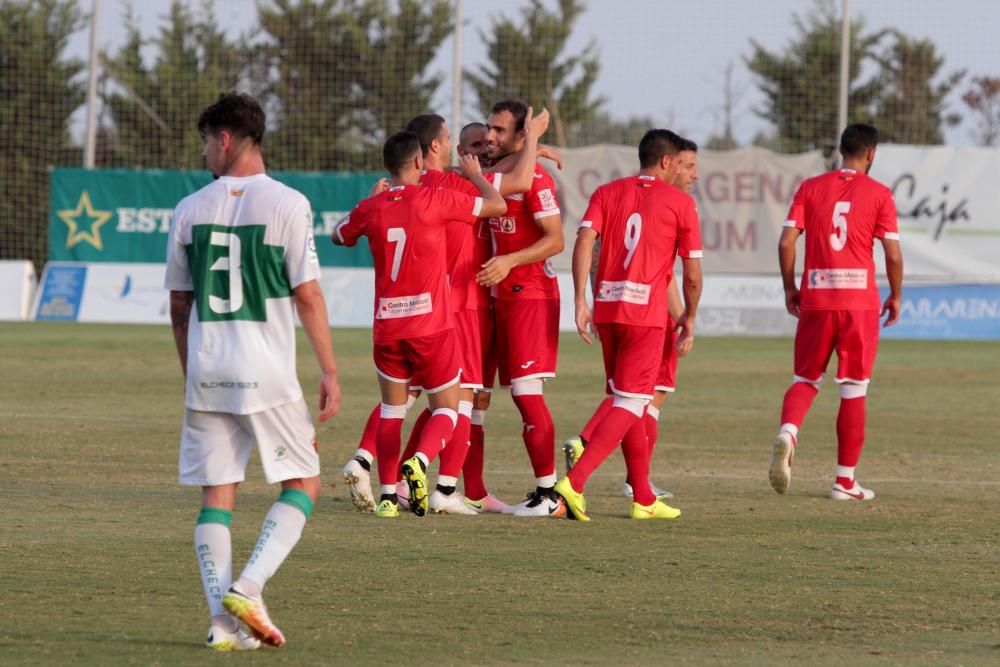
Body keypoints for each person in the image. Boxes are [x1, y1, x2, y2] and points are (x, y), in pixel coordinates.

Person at [165, 92, 341, 650]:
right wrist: (330, 371)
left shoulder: (189, 208)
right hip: (266, 372)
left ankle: (221, 625)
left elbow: (178, 305)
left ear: (225, 138)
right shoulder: (288, 202)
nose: (202, 153)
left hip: (208, 371)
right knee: (304, 481)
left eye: (204, 141)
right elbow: (307, 294)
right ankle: (250, 585)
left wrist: (190, 367)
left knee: (217, 496)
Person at [341, 111, 547, 516]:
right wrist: (531, 143)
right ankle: (445, 486)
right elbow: (515, 185)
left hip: (399, 317)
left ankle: (373, 466)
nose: (478, 154)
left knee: (403, 400)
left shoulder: (398, 195)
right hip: (454, 307)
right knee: (459, 401)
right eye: (467, 145)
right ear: (431, 150)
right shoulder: (449, 187)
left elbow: (345, 231)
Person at [553, 129, 702, 521]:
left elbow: (584, 242)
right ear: (667, 162)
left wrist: (582, 300)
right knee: (634, 401)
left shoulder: (607, 192)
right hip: (646, 317)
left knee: (627, 398)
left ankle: (644, 497)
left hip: (608, 308)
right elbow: (691, 273)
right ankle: (574, 484)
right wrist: (690, 315)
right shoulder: (680, 203)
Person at [769, 123, 903, 501]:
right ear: (871, 154)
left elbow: (785, 242)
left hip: (818, 297)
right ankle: (845, 482)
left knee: (805, 379)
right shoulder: (879, 193)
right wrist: (895, 295)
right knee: (853, 390)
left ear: (840, 150)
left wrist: (790, 287)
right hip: (858, 303)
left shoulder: (811, 188)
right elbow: (892, 254)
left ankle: (789, 432)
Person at [478, 99, 565, 517]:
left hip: (531, 296)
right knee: (485, 396)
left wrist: (510, 260)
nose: (489, 137)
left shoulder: (538, 182)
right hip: (501, 299)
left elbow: (555, 240)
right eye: (488, 129)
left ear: (519, 136)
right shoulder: (495, 176)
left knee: (528, 395)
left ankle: (548, 495)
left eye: (499, 131)